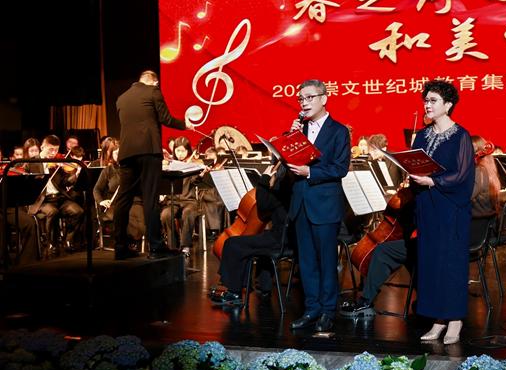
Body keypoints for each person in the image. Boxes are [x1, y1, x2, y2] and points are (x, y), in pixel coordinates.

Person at [410, 80, 475, 345]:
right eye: (426, 100)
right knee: (430, 263)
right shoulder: (422, 135)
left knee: (451, 264)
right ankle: (437, 319)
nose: (427, 105)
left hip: (451, 208)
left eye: (433, 100)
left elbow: (462, 175)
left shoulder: (461, 136)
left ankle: (455, 319)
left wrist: (433, 181)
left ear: (448, 105)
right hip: (427, 207)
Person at [287, 79, 351, 333]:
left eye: (309, 98)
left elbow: (340, 168)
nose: (304, 103)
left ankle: (327, 311)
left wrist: (310, 172)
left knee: (326, 261)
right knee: (306, 262)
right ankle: (311, 308)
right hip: (301, 203)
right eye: (301, 99)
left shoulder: (338, 131)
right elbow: (287, 162)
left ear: (324, 99)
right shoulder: (298, 129)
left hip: (325, 204)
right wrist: (289, 137)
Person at [114, 70, 190, 261]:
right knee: (150, 198)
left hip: (126, 153)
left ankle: (120, 247)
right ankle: (155, 247)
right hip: (148, 151)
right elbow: (165, 118)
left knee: (123, 199)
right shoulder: (153, 91)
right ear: (154, 82)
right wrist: (184, 125)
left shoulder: (121, 99)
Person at [210, 163, 291, 306]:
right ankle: (258, 286)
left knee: (233, 243)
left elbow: (263, 206)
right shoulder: (291, 186)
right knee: (250, 244)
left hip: (280, 239)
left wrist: (264, 179)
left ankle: (234, 292)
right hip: (288, 238)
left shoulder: (281, 189)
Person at [93, 138, 145, 248]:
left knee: (141, 225)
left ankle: (131, 242)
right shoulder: (108, 170)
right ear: (112, 155)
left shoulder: (134, 169)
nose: (120, 156)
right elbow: (96, 189)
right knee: (123, 218)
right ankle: (126, 243)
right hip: (115, 204)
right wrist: (101, 201)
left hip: (134, 201)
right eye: (116, 153)